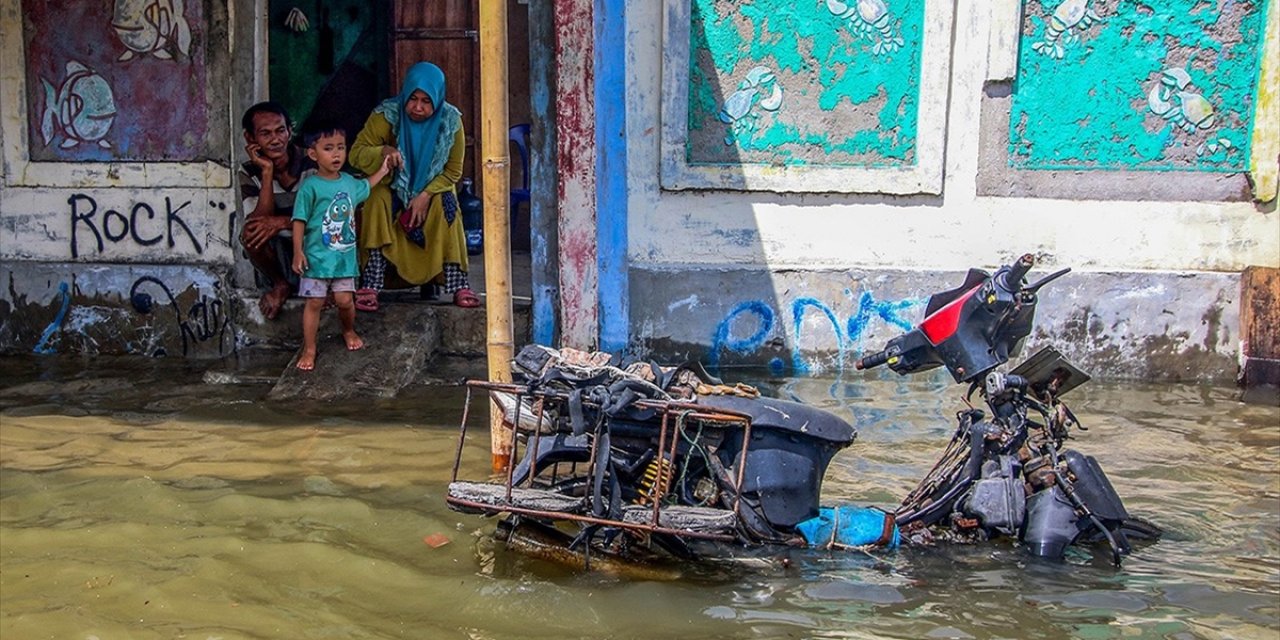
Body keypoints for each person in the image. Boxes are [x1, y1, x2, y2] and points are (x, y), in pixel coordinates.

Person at [349, 61, 480, 310]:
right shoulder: (386, 115)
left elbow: (453, 171)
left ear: (438, 100)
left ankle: (458, 283)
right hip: (392, 187)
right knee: (376, 199)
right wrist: (382, 151)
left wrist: (425, 194)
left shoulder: (450, 122)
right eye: (413, 98)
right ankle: (371, 283)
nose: (418, 107)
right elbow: (356, 154)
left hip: (433, 189)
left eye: (426, 101)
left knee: (447, 204)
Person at [291, 123, 392, 371]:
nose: (336, 154)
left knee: (345, 300)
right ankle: (310, 348)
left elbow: (367, 186)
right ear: (313, 154)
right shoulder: (310, 187)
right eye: (328, 149)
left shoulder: (348, 182)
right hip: (315, 258)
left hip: (344, 259)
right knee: (314, 302)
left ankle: (348, 329)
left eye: (340, 148)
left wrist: (383, 169)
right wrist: (298, 252)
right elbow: (299, 220)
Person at [238, 101, 313, 320]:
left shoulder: (313, 160)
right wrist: (267, 173)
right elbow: (258, 222)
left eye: (281, 130)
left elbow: (328, 218)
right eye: (265, 133)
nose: (275, 139)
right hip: (280, 251)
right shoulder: (249, 170)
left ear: (290, 131)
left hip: (313, 244)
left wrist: (282, 222)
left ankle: (326, 287)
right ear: (251, 139)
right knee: (250, 234)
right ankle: (281, 284)